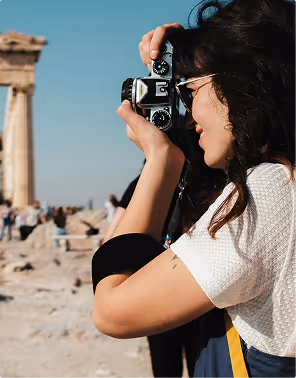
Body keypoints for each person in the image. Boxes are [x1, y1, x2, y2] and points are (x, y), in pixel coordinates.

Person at [92, 1, 296, 376]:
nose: (187, 112)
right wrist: (190, 57)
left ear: (242, 81)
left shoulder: (273, 189)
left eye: (190, 91)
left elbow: (111, 311)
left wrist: (160, 161)